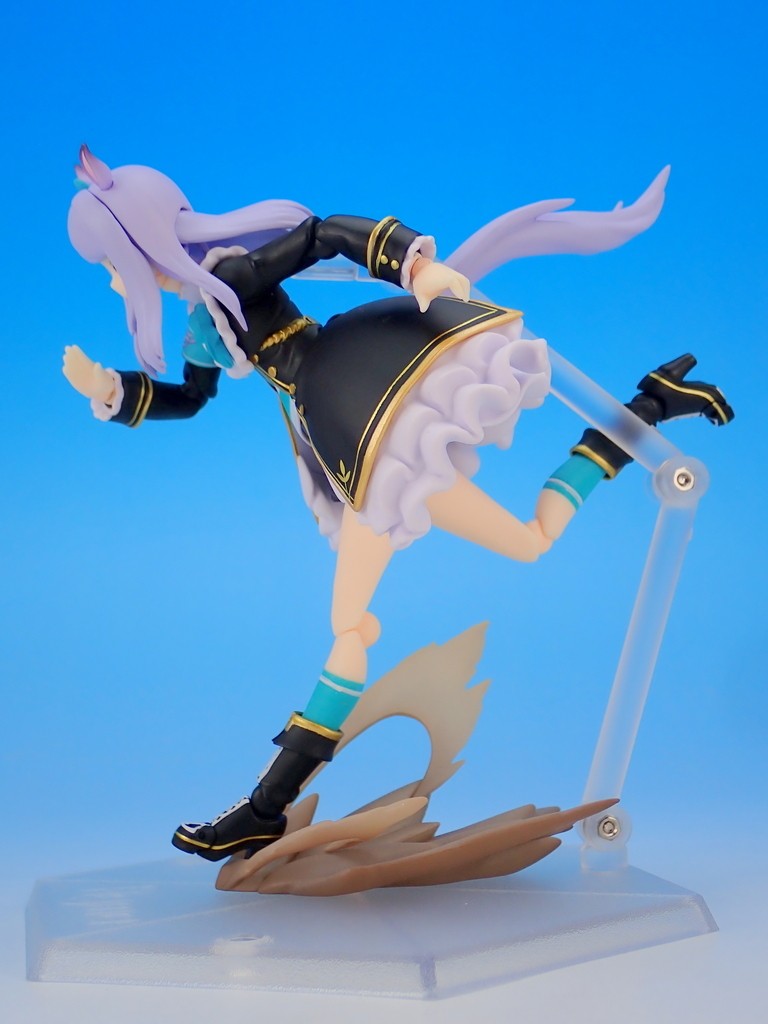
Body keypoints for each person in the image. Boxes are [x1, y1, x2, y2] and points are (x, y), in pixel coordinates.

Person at [64, 146, 733, 862]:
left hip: (360, 402)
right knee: (526, 542)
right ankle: (649, 406)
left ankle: (264, 809)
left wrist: (415, 267)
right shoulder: (205, 320)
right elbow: (192, 398)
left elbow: (321, 234)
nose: (114, 280)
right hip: (341, 431)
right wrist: (113, 392)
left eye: (112, 264)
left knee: (351, 626)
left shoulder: (234, 275)